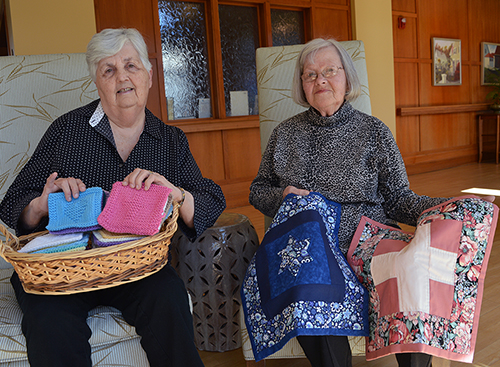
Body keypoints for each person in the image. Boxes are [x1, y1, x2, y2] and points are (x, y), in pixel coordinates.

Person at [0, 28, 226, 367]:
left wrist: (176, 193)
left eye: (131, 66)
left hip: (137, 266)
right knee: (49, 320)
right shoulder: (67, 130)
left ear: (149, 74)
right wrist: (41, 204)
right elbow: (13, 202)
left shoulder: (170, 140)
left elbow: (210, 200)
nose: (122, 77)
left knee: (168, 298)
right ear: (97, 81)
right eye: (109, 70)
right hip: (62, 269)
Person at [248, 38, 445, 367]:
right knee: (309, 280)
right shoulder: (284, 135)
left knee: (410, 270)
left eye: (329, 71)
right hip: (308, 244)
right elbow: (257, 189)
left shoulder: (374, 132)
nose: (320, 80)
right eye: (309, 74)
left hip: (369, 237)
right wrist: (281, 196)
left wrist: (441, 208)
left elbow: (398, 198)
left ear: (347, 78)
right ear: (301, 85)